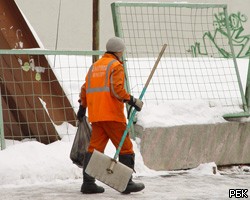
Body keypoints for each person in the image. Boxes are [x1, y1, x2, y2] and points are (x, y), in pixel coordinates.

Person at [77, 36, 145, 194]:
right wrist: (132, 100)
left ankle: (88, 183)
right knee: (126, 148)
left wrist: (82, 107)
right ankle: (126, 183)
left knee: (94, 149)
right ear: (119, 51)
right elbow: (117, 90)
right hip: (112, 115)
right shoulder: (116, 66)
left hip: (96, 115)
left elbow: (85, 88)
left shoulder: (95, 66)